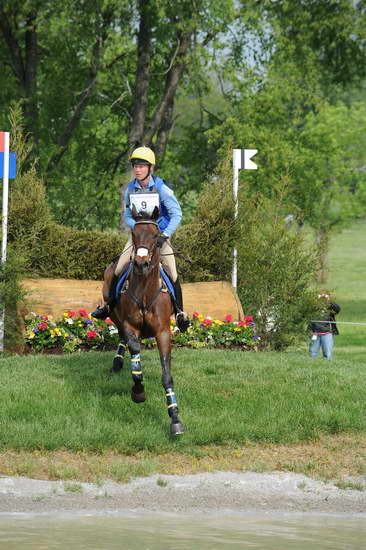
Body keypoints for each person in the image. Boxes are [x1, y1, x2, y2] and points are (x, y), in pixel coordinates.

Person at [92, 146, 190, 332]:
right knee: (119, 268)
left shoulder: (162, 189)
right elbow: (127, 215)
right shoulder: (131, 189)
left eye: (142, 166)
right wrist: (137, 226)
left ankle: (179, 313)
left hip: (159, 237)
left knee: (173, 272)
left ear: (150, 168)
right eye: (135, 165)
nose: (137, 169)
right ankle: (109, 306)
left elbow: (176, 214)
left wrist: (165, 234)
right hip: (139, 238)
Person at [309, 292, 341, 360]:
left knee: (328, 354)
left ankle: (327, 367)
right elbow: (306, 310)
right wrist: (315, 300)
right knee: (312, 353)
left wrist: (329, 301)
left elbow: (338, 309)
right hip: (315, 333)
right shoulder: (313, 307)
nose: (322, 299)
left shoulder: (330, 308)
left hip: (327, 334)